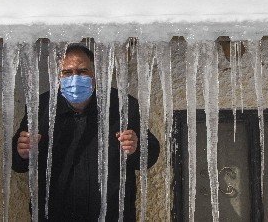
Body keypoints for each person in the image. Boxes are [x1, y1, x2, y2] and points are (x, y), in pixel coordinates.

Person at [12, 43, 160, 221]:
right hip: (55, 216)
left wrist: (136, 147)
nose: (75, 78)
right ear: (57, 76)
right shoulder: (41, 108)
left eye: (82, 71)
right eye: (67, 72)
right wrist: (22, 153)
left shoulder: (122, 105)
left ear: (94, 74)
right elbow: (15, 162)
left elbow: (150, 153)